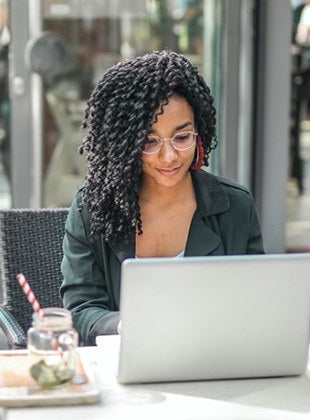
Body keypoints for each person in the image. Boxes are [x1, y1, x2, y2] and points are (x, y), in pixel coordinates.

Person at [60, 50, 264, 346]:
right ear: (125, 144)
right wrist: (124, 325)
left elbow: (256, 305)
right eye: (149, 141)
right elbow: (80, 311)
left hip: (215, 362)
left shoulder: (235, 207)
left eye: (182, 138)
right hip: (124, 367)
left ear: (200, 133)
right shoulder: (92, 208)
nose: (168, 157)